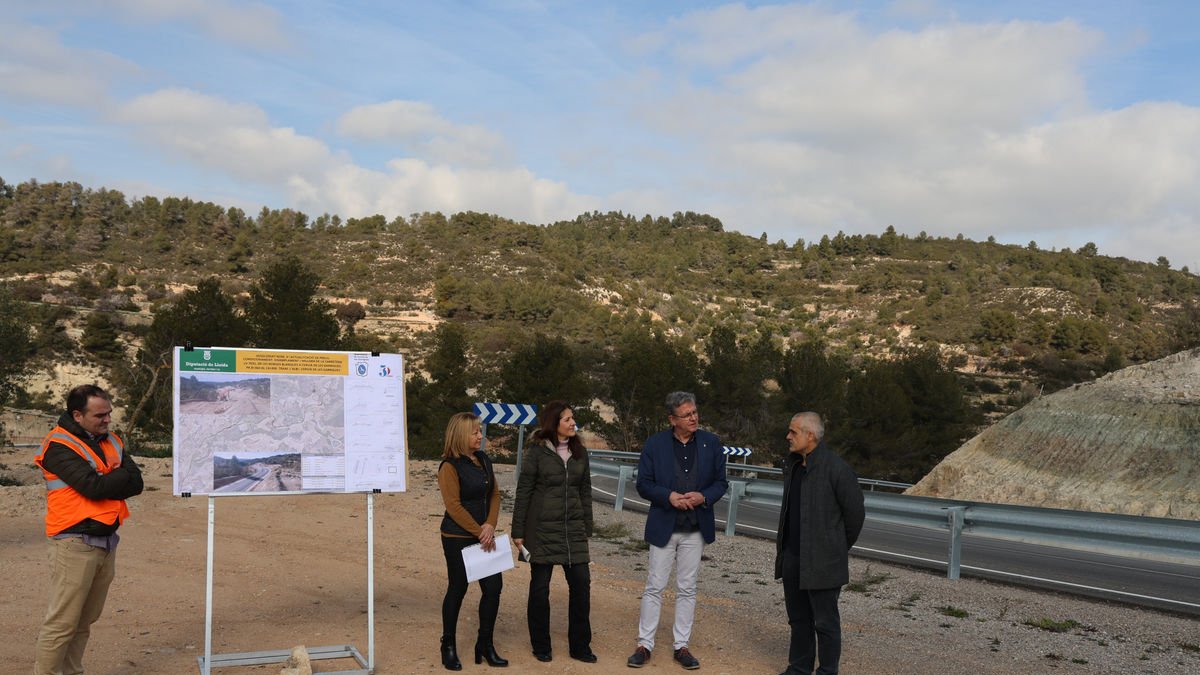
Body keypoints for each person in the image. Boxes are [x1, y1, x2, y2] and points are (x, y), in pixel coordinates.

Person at [33, 384, 144, 675]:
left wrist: (110, 477)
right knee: (62, 623)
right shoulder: (59, 445)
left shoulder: (112, 441)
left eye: (109, 413)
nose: (107, 420)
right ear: (78, 415)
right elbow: (93, 488)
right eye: (100, 415)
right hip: (73, 542)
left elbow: (138, 483)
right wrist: (116, 476)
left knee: (84, 621)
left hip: (106, 541)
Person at [627, 392, 727, 670]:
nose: (694, 418)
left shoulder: (711, 442)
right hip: (664, 525)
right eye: (687, 414)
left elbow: (721, 482)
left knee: (687, 588)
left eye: (695, 412)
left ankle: (681, 646)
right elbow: (644, 483)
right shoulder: (655, 444)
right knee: (654, 586)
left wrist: (703, 497)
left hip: (696, 528)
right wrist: (668, 496)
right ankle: (644, 645)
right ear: (672, 419)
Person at [774, 412, 865, 675]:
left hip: (824, 561)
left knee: (825, 623)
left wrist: (834, 547)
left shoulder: (837, 469)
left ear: (810, 436)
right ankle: (799, 668)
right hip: (793, 557)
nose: (788, 437)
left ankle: (827, 671)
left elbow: (855, 515)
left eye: (793, 432)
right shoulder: (794, 466)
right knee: (799, 619)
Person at [511, 401, 596, 664]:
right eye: (567, 419)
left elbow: (585, 491)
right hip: (541, 530)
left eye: (573, 418)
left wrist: (587, 527)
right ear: (554, 423)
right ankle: (541, 645)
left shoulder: (580, 452)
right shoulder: (536, 452)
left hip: (573, 530)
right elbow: (524, 491)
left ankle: (580, 647)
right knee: (539, 589)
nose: (573, 423)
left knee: (581, 585)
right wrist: (518, 530)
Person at [437, 412, 507, 670]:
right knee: (458, 588)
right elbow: (453, 506)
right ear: (460, 435)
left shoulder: (483, 459)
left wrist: (490, 524)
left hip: (484, 535)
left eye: (480, 431)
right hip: (457, 537)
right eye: (475, 432)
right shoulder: (448, 466)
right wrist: (480, 532)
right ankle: (448, 646)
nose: (481, 436)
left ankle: (485, 645)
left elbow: (495, 494)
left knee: (493, 588)